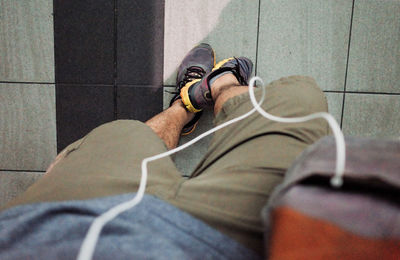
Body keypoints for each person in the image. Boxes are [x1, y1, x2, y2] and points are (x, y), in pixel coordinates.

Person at [0, 43, 329, 259]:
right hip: (236, 247)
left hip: (69, 224)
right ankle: (222, 87)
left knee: (121, 137)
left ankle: (186, 104)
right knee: (299, 102)